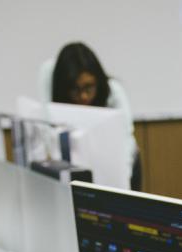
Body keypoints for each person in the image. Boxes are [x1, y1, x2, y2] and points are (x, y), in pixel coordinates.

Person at [38, 41, 141, 190]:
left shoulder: (113, 91)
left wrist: (123, 182)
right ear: (64, 88)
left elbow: (125, 138)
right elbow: (48, 130)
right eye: (75, 89)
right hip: (78, 165)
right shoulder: (56, 100)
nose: (84, 96)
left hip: (119, 165)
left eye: (89, 87)